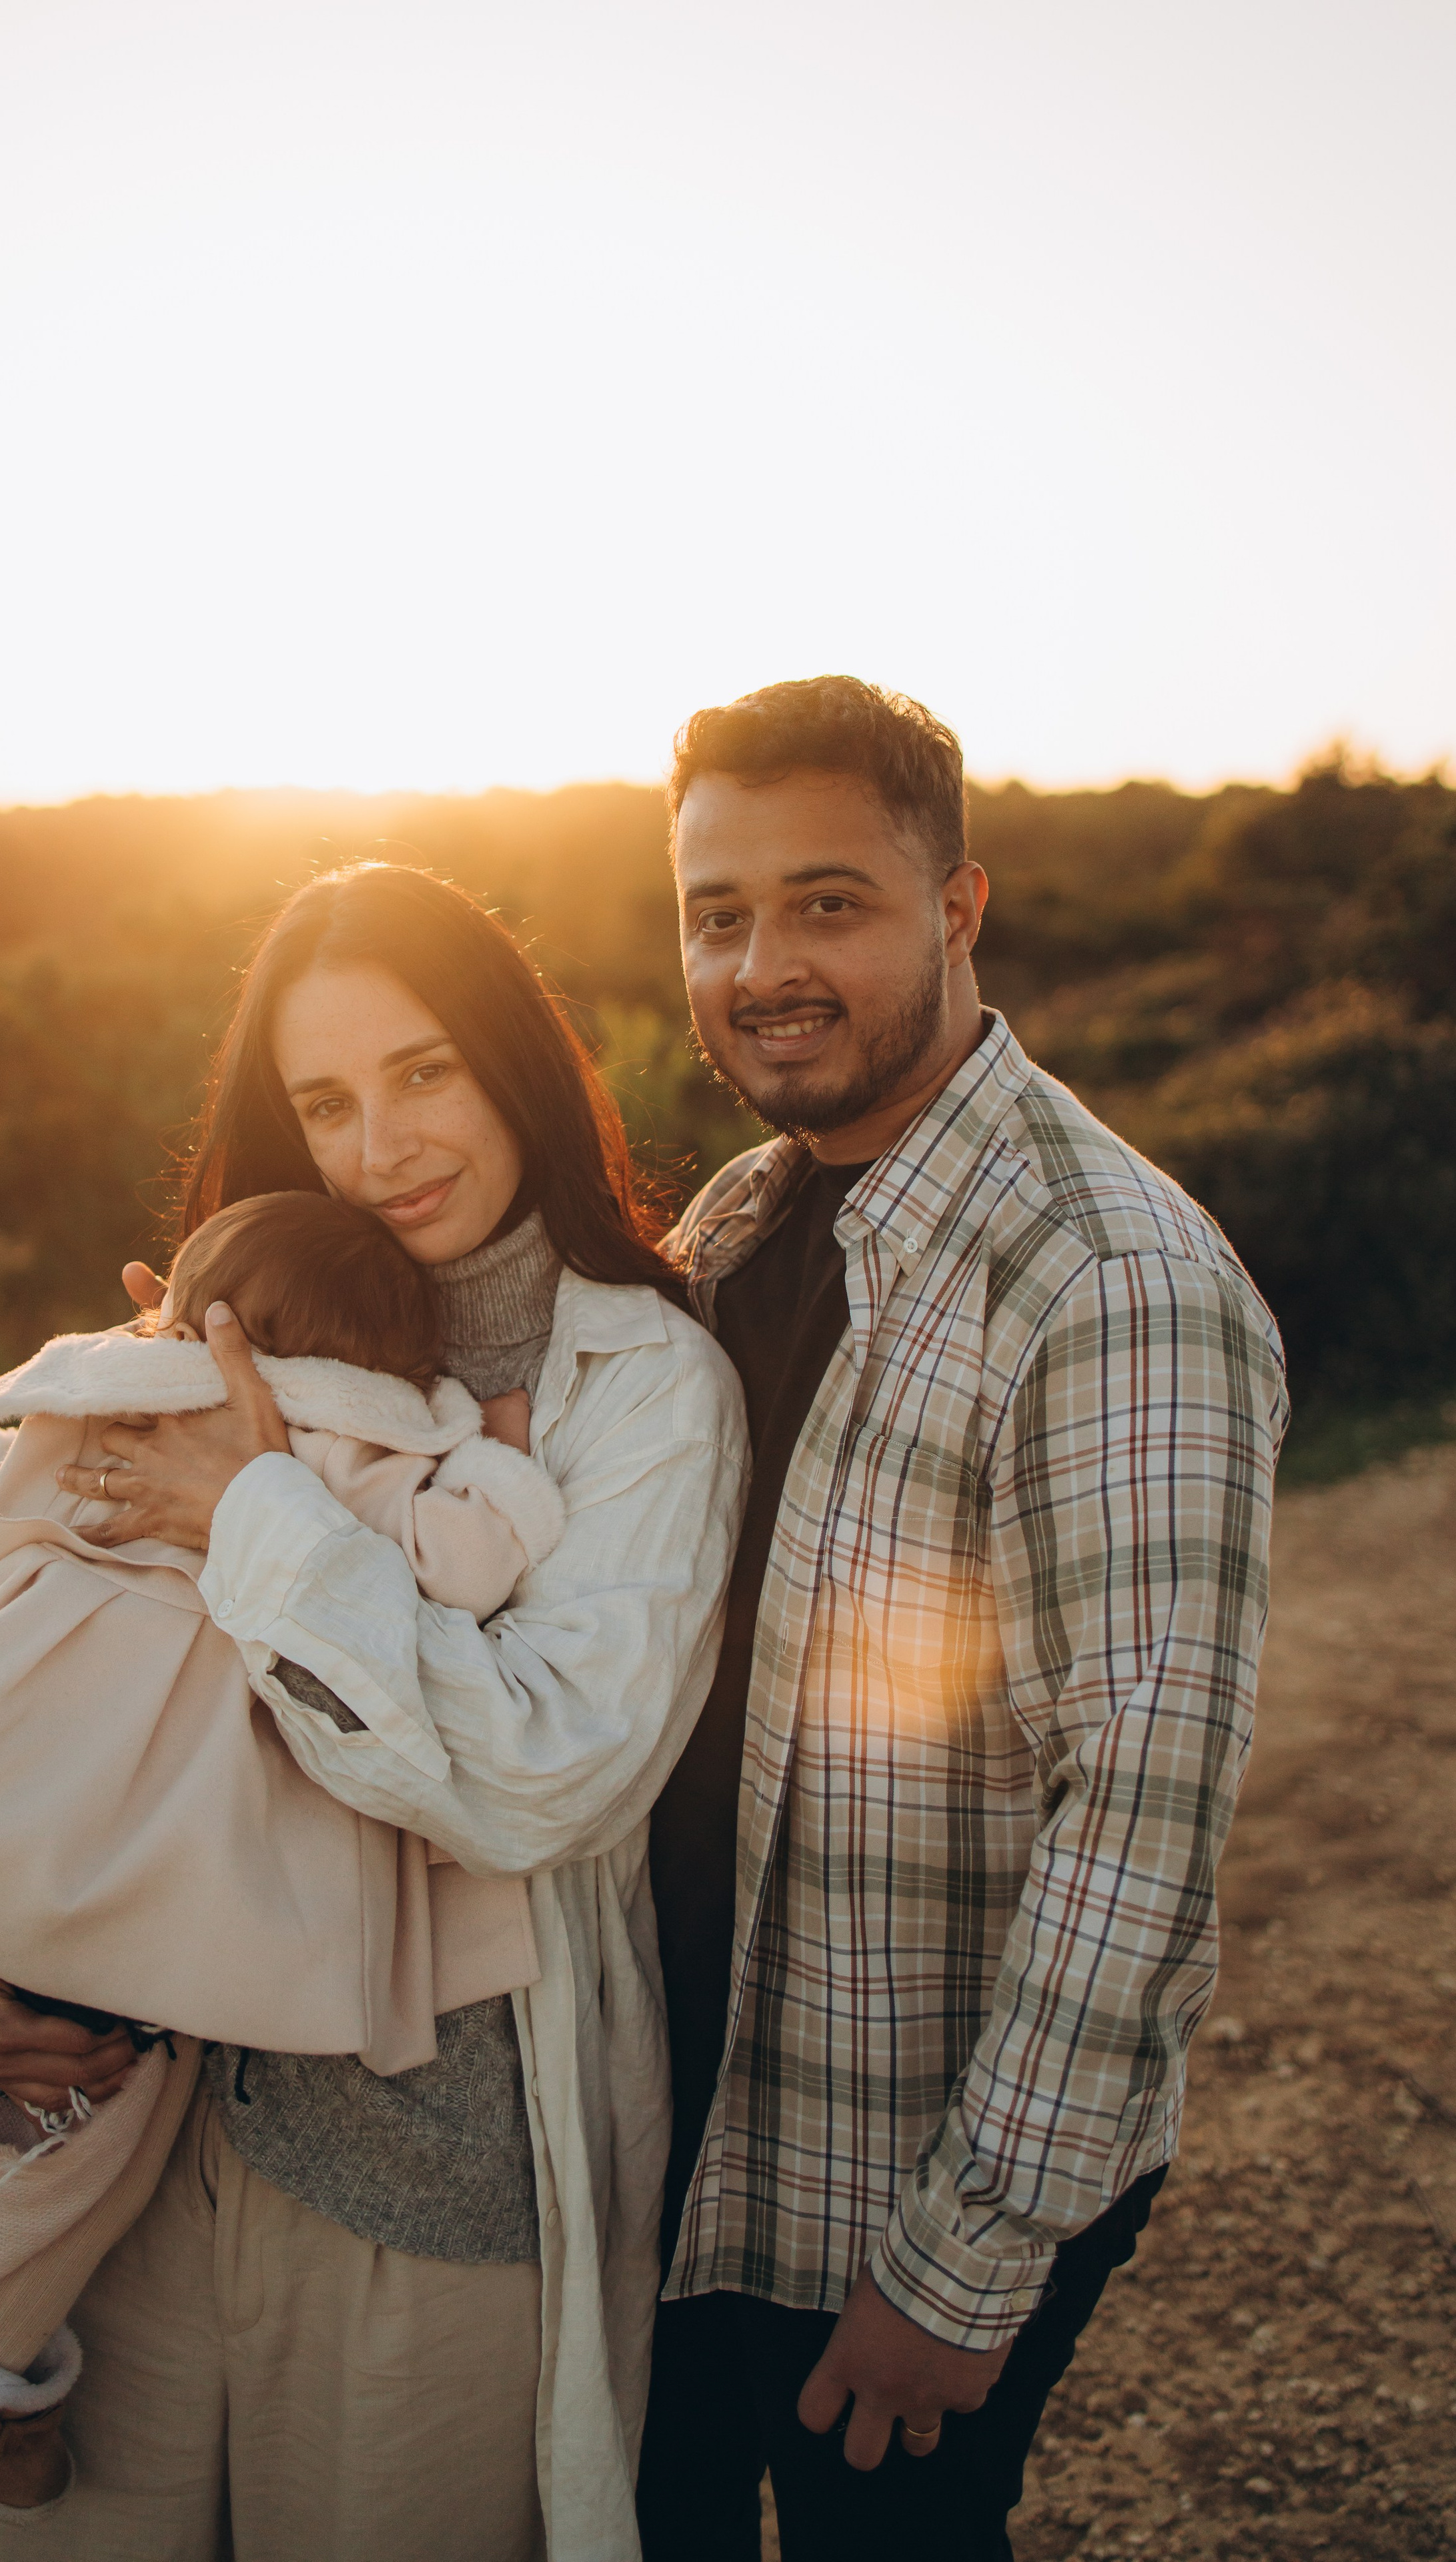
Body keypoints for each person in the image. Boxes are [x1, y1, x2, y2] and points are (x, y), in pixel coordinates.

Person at [0, 863, 748, 2562]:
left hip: (425, 2188)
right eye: (323, 1101)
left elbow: (539, 1778)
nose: (378, 1148)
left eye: (425, 1073)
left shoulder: (643, 1390)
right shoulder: (220, 1332)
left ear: (517, 1064)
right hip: (135, 2135)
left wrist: (253, 1509)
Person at [638, 675, 1287, 2561]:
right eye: (715, 912)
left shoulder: (1108, 1278)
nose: (764, 963)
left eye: (829, 901)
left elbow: (1143, 1821)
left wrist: (964, 2263)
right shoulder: (741, 1225)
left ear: (959, 907)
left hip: (890, 2158)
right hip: (685, 2112)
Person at [0, 1187, 567, 2523]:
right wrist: (500, 1458)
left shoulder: (90, 1411)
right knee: (110, 2096)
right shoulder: (334, 1448)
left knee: (20, 2051)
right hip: (139, 1850)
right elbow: (465, 1566)